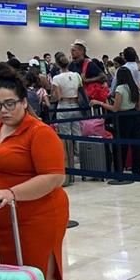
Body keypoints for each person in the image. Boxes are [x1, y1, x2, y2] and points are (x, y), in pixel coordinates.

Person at [0, 63, 68, 280]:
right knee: (1, 272)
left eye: (9, 104)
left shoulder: (39, 133)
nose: (3, 111)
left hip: (38, 215)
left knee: (40, 273)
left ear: (24, 102)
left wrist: (12, 193)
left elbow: (54, 177)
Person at [91, 66, 140, 176]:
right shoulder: (135, 87)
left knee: (121, 146)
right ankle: (137, 170)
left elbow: (115, 108)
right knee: (136, 145)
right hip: (135, 116)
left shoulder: (120, 89)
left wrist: (101, 103)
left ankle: (119, 169)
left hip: (123, 118)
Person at [49, 52, 84, 183]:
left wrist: (49, 98)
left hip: (63, 106)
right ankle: (83, 161)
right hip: (76, 105)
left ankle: (70, 167)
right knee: (78, 135)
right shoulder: (76, 75)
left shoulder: (57, 78)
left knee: (66, 137)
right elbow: (81, 91)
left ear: (57, 64)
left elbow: (56, 97)